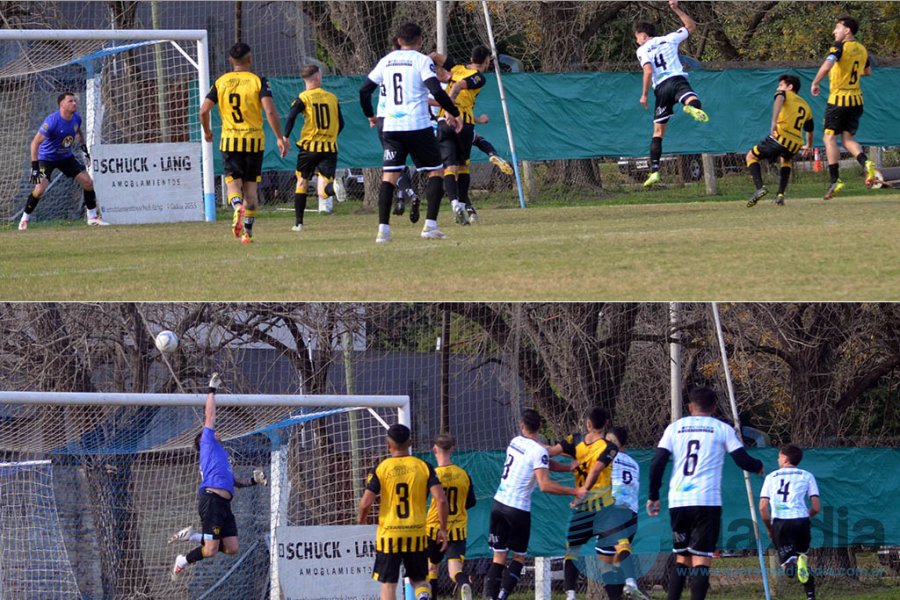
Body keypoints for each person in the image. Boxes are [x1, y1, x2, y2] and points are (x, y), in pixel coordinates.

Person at [647, 387, 763, 600]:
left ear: (691, 407)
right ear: (714, 407)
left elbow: (658, 462)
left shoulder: (675, 428)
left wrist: (653, 494)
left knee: (682, 557)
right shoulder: (721, 428)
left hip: (678, 501)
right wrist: (757, 466)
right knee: (701, 559)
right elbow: (741, 459)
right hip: (706, 501)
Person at [359, 22, 463, 243]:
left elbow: (364, 90)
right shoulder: (422, 60)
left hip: (391, 128)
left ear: (398, 41)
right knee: (436, 172)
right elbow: (436, 89)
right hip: (417, 125)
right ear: (420, 41)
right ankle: (430, 226)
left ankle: (383, 231)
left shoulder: (386, 61)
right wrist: (453, 112)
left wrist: (370, 114)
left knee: (389, 176)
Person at [170, 373, 268, 579]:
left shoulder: (222, 456)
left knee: (232, 547)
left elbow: (235, 484)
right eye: (214, 431)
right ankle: (183, 560)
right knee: (211, 550)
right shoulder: (207, 442)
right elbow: (210, 415)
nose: (218, 432)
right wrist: (212, 390)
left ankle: (193, 536)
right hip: (212, 501)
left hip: (224, 505)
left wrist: (253, 481)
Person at [485, 409, 585, 600]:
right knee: (519, 557)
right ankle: (502, 596)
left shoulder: (515, 442)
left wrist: (567, 467)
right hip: (518, 510)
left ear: (522, 426)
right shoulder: (538, 451)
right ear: (540, 427)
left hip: (498, 504)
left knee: (498, 557)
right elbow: (545, 485)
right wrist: (574, 491)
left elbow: (542, 459)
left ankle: (491, 598)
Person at [200, 42, 287, 244]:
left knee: (233, 186)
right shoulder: (258, 81)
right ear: (250, 60)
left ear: (231, 61)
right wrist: (279, 137)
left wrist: (207, 131)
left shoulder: (221, 82)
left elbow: (203, 110)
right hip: (254, 142)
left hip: (230, 141)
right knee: (251, 192)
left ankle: (236, 206)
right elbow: (270, 111)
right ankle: (247, 233)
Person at [358, 423, 448, 600]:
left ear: (388, 445)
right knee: (420, 580)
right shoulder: (424, 466)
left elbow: (365, 502)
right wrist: (443, 528)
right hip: (416, 533)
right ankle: (423, 596)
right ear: (410, 442)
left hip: (389, 535)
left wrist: (361, 520)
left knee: (389, 585)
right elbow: (441, 500)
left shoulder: (382, 467)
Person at [546, 408, 621, 600]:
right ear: (606, 424)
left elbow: (551, 452)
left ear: (588, 423)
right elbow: (596, 469)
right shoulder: (610, 447)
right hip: (603, 508)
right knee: (608, 556)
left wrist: (530, 446)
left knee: (572, 551)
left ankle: (571, 594)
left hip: (582, 508)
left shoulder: (575, 440)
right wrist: (585, 490)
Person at [634, 0, 709, 189]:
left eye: (637, 37)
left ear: (643, 35)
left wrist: (644, 94)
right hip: (677, 80)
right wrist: (676, 9)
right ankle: (690, 107)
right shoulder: (670, 38)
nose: (637, 40)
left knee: (658, 133)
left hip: (661, 89)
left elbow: (648, 71)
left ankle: (655, 171)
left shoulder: (642, 49)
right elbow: (691, 26)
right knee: (693, 100)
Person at [19, 92, 107, 230]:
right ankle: (24, 219)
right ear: (62, 105)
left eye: (75, 101)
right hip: (46, 158)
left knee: (88, 182)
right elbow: (35, 143)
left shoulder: (76, 118)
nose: (74, 103)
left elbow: (78, 132)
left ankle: (92, 217)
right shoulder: (52, 121)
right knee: (40, 189)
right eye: (70, 101)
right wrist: (35, 167)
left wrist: (84, 150)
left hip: (65, 157)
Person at [811, 15, 875, 200]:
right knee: (847, 139)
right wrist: (850, 71)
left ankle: (835, 180)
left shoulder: (838, 47)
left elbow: (826, 65)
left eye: (837, 27)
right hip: (857, 100)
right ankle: (866, 163)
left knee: (829, 138)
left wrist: (815, 82)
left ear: (847, 30)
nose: (834, 31)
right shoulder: (862, 49)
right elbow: (868, 71)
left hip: (839, 100)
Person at [431, 46, 491, 226]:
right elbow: (457, 86)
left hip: (442, 122)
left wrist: (431, 70)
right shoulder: (479, 77)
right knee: (463, 166)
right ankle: (464, 206)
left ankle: (455, 205)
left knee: (449, 167)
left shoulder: (456, 68)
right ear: (486, 61)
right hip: (461, 123)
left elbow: (434, 56)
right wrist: (451, 109)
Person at [282, 64, 344, 232]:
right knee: (324, 191)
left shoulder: (303, 97)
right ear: (317, 78)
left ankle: (299, 223)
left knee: (301, 182)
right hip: (329, 148)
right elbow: (342, 123)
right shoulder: (332, 98)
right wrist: (330, 137)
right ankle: (335, 188)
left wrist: (285, 136)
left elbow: (292, 116)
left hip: (309, 147)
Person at [594, 426, 650, 600]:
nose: (607, 444)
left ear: (619, 445)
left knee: (615, 554)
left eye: (610, 442)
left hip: (613, 511)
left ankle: (631, 582)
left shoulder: (608, 458)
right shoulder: (634, 463)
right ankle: (622, 591)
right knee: (609, 564)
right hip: (631, 515)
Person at [759, 444, 820, 600]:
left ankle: (792, 565)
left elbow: (762, 507)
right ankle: (810, 596)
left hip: (780, 523)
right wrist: (806, 515)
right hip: (801, 520)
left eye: (779, 456)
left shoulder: (771, 477)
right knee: (802, 559)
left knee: (789, 569)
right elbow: (816, 507)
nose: (778, 459)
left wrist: (769, 528)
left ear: (785, 458)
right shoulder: (807, 476)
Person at [746, 74, 814, 207]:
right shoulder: (806, 106)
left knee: (751, 156)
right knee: (786, 160)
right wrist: (808, 146)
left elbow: (779, 98)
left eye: (781, 85)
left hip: (781, 137)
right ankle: (780, 195)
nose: (779, 88)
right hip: (795, 144)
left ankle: (760, 188)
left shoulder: (784, 94)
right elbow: (810, 131)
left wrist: (774, 122)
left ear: (790, 87)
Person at [425, 434, 476, 600]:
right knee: (455, 570)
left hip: (435, 529)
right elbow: (470, 503)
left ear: (434, 449)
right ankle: (463, 584)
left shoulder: (433, 475)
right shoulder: (463, 475)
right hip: (457, 531)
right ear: (452, 449)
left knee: (432, 569)